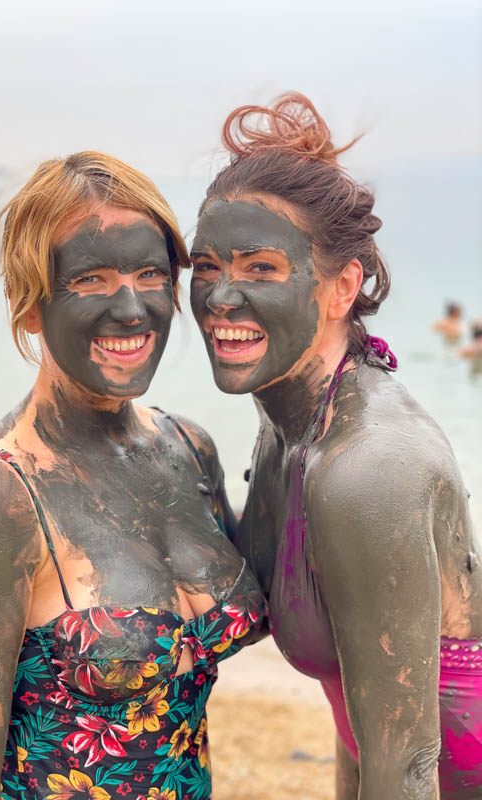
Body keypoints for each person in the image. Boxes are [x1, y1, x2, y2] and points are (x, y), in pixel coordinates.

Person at [0, 152, 265, 800]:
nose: (132, 309)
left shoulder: (190, 451)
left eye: (150, 275)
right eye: (92, 279)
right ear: (29, 305)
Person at [189, 94, 482, 799]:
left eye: (261, 268)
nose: (221, 297)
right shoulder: (290, 423)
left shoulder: (368, 467)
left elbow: (408, 763)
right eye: (205, 266)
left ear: (342, 286)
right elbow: (361, 717)